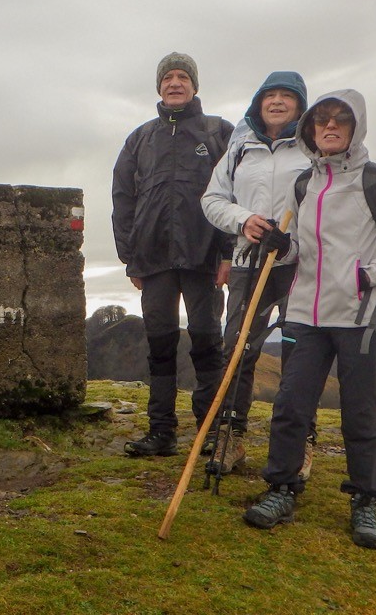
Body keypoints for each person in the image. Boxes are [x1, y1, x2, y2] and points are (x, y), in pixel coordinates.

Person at [242, 90, 376, 549]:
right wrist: (284, 248)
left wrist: (368, 275)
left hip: (362, 316)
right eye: (320, 121)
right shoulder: (304, 183)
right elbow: (304, 248)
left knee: (359, 414)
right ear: (308, 129)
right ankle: (281, 488)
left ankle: (366, 500)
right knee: (290, 406)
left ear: (354, 127)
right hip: (305, 312)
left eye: (339, 121)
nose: (329, 127)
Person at [111, 52, 233, 457]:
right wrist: (130, 256)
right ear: (159, 86)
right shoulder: (140, 138)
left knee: (206, 344)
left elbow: (238, 195)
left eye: (183, 77)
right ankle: (161, 431)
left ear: (195, 86)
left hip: (204, 258)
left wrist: (229, 253)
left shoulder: (218, 133)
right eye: (168, 78)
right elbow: (123, 198)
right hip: (153, 259)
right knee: (160, 346)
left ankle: (210, 431)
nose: (175, 83)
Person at [199, 71, 310, 476]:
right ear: (258, 103)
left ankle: (300, 444)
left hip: (302, 267)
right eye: (270, 95)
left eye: (287, 96)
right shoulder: (240, 147)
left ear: (301, 104)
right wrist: (244, 220)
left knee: (301, 355)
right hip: (249, 264)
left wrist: (292, 242)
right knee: (239, 350)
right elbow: (212, 199)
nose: (277, 102)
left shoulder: (313, 147)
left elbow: (325, 207)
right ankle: (231, 438)